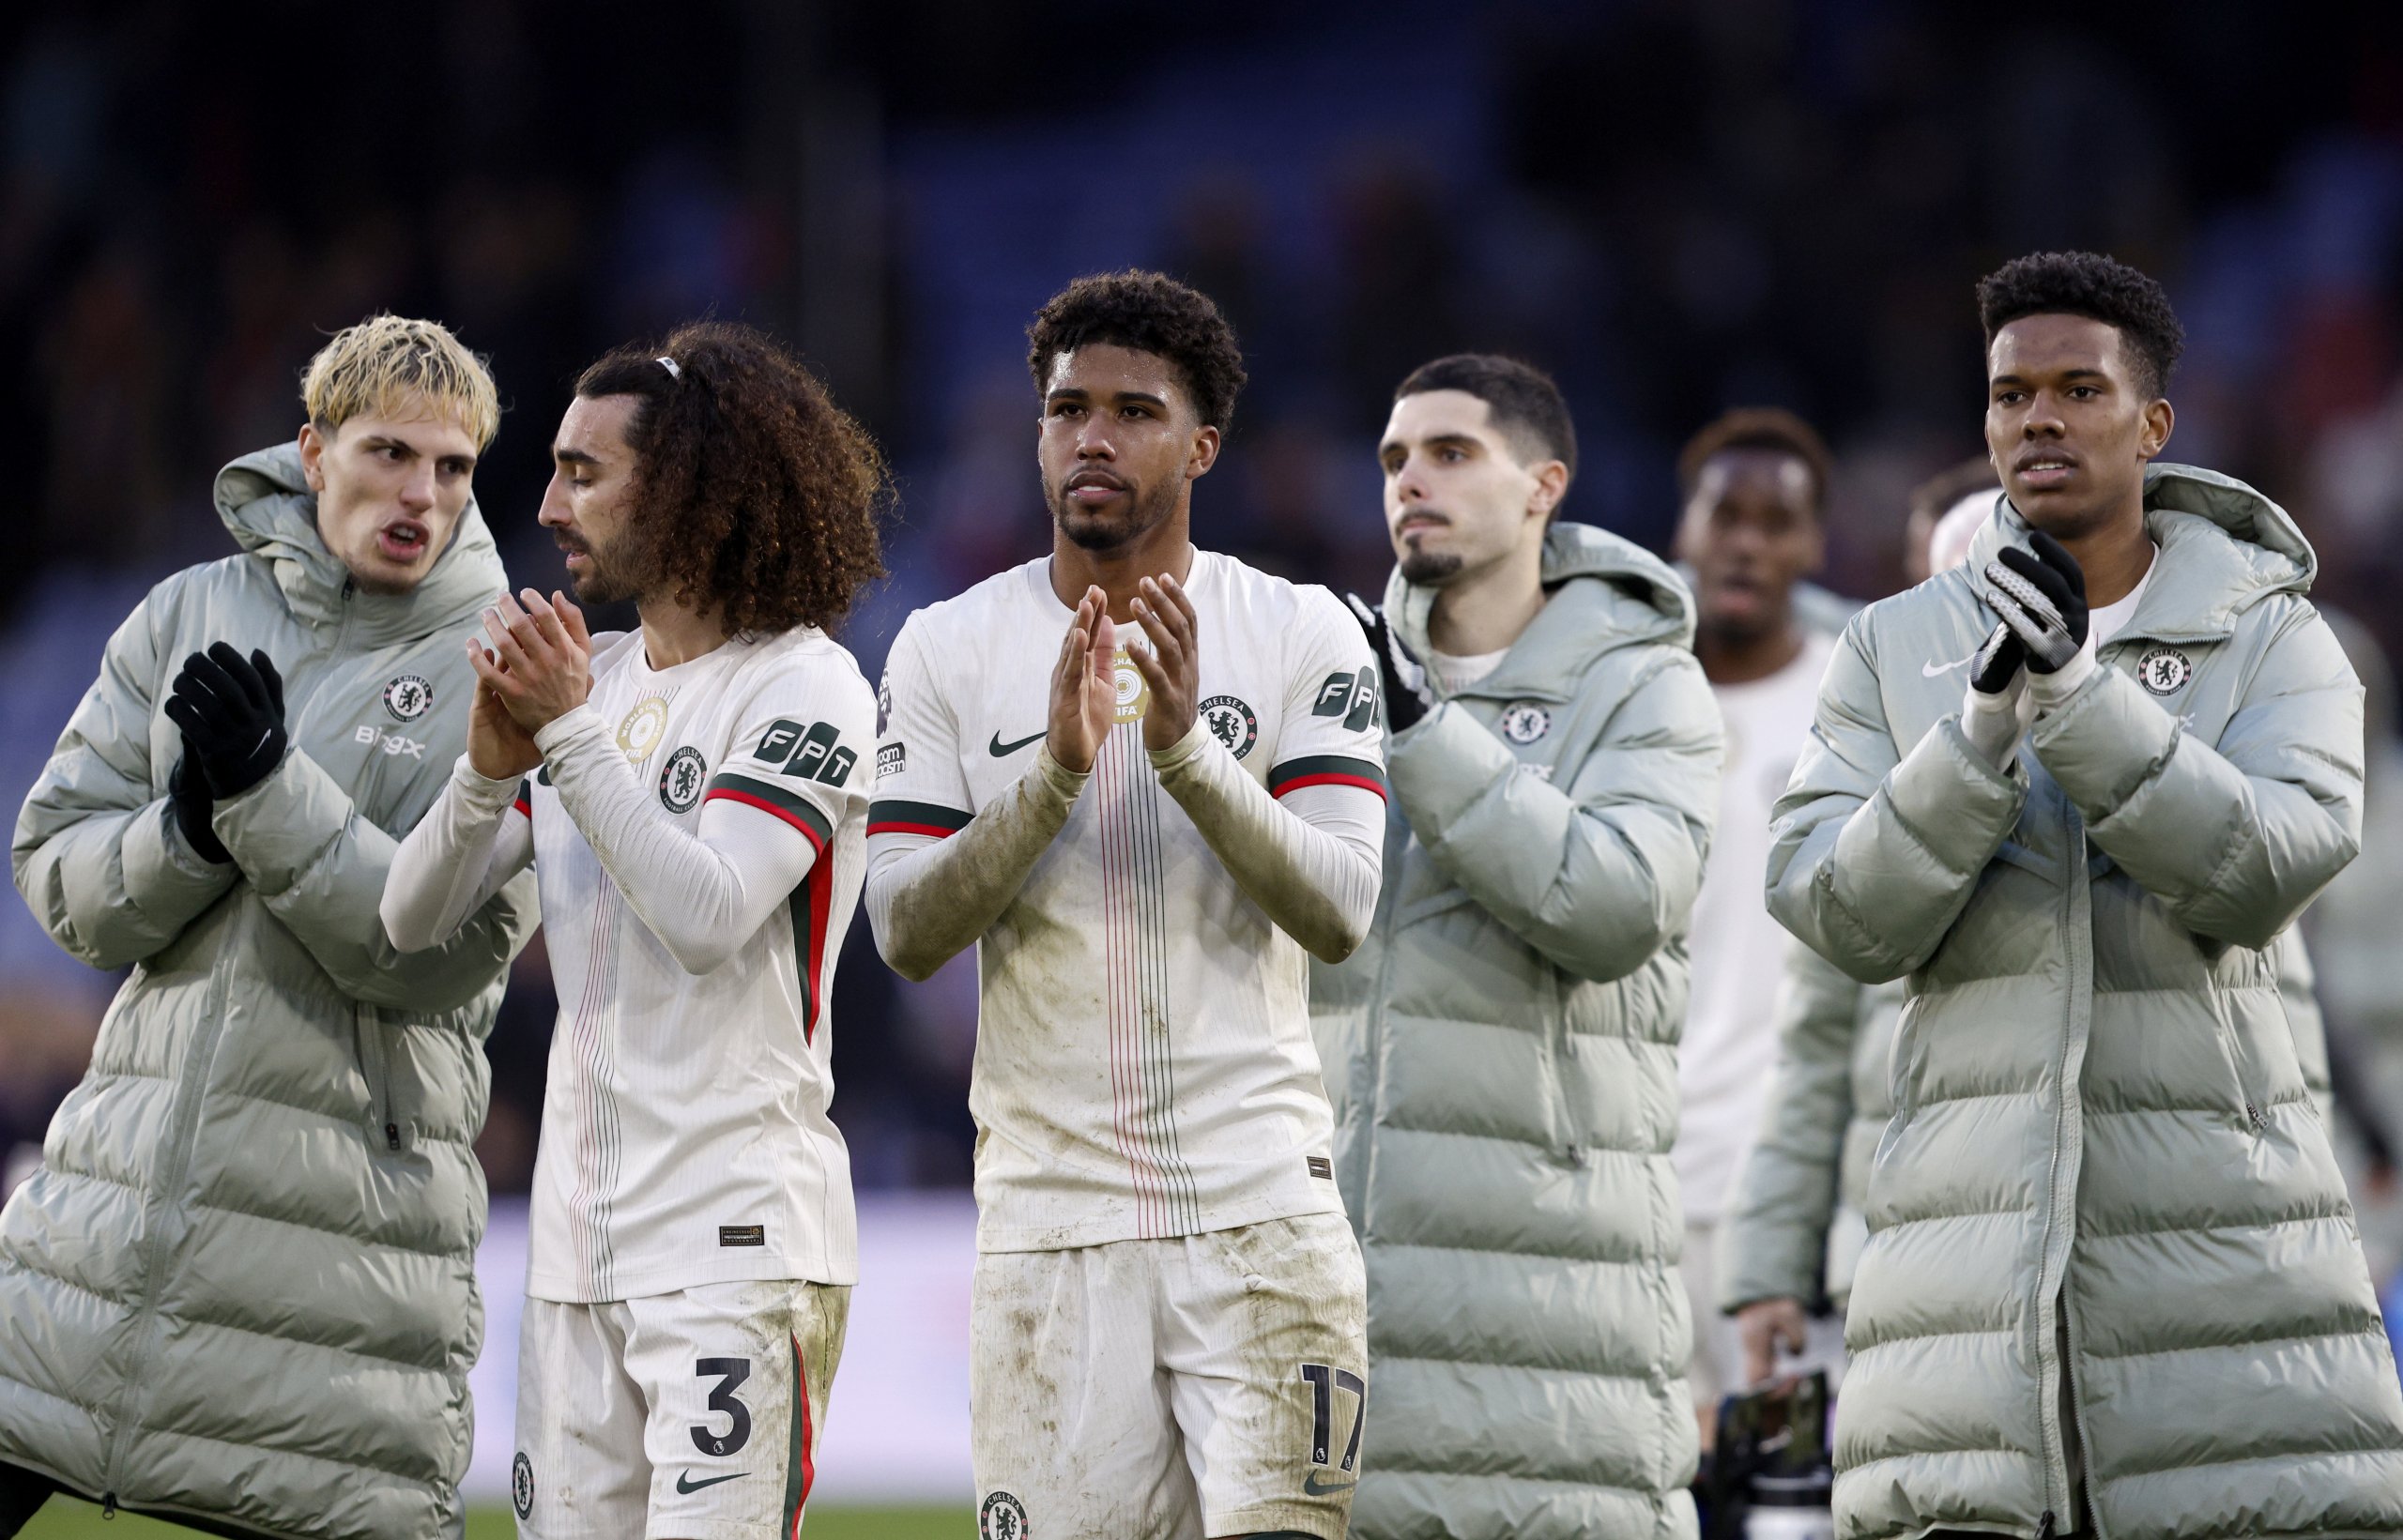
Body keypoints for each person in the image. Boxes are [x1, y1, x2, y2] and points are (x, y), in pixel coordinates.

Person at [1767, 250, 2403, 1538]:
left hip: (2225, 1298)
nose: (2038, 419)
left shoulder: (2285, 636)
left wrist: (2080, 700)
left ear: (2154, 423)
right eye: (2010, 396)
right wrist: (1981, 734)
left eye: (2077, 389)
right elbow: (1834, 909)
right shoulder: (1894, 649)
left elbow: (2269, 866)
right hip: (1963, 1319)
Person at [865, 270, 1383, 1540]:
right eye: (1067, 409)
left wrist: (1187, 752)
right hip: (1052, 1220)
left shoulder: (1303, 630)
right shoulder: (944, 645)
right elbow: (905, 931)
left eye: (1134, 411)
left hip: (1260, 1208)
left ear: (1202, 445)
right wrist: (1049, 773)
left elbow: (1341, 907)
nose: (1092, 437)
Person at [0, 316, 538, 1538]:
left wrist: (261, 786)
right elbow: (58, 877)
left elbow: (431, 954)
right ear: (311, 452)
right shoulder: (185, 612)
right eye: (391, 453)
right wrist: (183, 832)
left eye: (453, 468)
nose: (422, 492)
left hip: (343, 1276)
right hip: (107, 1226)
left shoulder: (506, 670)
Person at [381, 322, 888, 1540]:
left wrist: (561, 737)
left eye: (584, 472)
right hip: (570, 1247)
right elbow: (412, 917)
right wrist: (483, 770)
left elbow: (708, 915)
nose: (549, 502)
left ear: (687, 490)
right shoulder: (591, 679)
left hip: (736, 1239)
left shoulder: (805, 685)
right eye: (553, 467)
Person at [1311, 354, 1722, 1538]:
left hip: (1558, 1314)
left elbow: (1616, 907)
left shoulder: (1649, 689)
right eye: (1393, 459)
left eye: (1450, 453)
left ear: (1544, 486)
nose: (1410, 483)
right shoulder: (1326, 679)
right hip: (1340, 1306)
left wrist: (1424, 734)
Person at [1664, 407, 1850, 1433]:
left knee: (1785, 1498)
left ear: (1814, 543)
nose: (1744, 540)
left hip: (1788, 1190)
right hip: (1638, 1173)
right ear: (1680, 532)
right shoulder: (1626, 696)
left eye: (1774, 521)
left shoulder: (1852, 695)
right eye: (1722, 514)